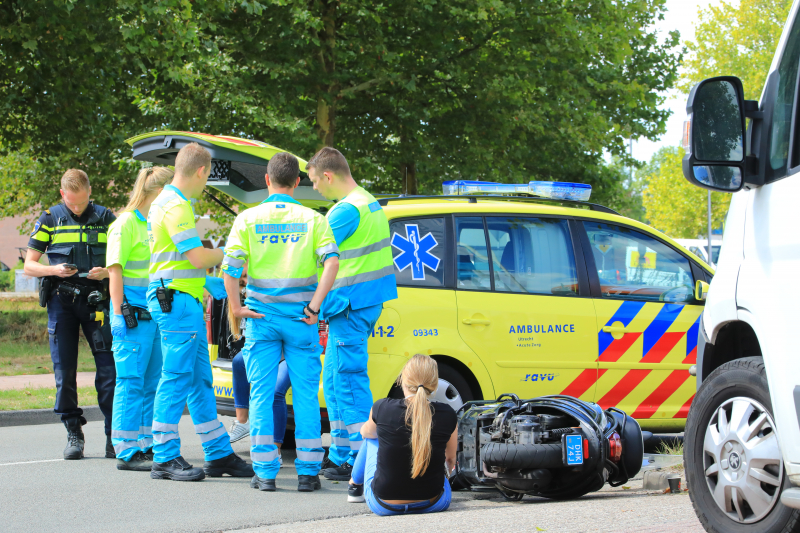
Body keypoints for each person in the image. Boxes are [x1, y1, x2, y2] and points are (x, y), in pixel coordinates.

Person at [222, 152, 339, 492]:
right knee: (305, 394)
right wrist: (315, 306)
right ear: (297, 182)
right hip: (301, 319)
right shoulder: (314, 219)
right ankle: (308, 473)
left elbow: (230, 268)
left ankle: (265, 472)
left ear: (267, 180)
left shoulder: (247, 219)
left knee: (260, 394)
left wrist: (236, 307)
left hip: (262, 318)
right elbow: (332, 262)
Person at [147, 142, 253, 481]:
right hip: (176, 302)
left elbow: (178, 260)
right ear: (201, 171)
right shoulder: (176, 206)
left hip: (180, 299)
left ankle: (218, 453)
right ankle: (164, 456)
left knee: (199, 381)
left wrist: (205, 281)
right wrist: (232, 251)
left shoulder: (165, 201)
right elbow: (196, 257)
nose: (205, 184)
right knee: (177, 378)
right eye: (207, 178)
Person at [306, 147, 398, 480]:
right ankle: (341, 453)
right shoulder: (368, 203)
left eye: (315, 181)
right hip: (359, 304)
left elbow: (311, 255)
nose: (315, 187)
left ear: (328, 176)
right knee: (334, 381)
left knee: (348, 381)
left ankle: (362, 460)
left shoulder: (344, 212)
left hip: (350, 305)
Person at [24, 169, 117, 460]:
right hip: (61, 302)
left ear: (90, 191)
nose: (76, 208)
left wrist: (107, 272)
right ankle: (73, 431)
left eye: (81, 201)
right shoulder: (49, 218)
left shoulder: (106, 218)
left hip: (97, 302)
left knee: (109, 372)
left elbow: (124, 260)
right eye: (71, 202)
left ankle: (113, 435)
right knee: (64, 372)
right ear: (62, 194)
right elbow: (29, 265)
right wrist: (53, 269)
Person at [106, 166, 173, 471]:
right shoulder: (125, 224)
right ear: (159, 192)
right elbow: (115, 271)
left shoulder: (155, 224)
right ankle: (125, 449)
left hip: (154, 316)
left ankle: (146, 444)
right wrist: (117, 312)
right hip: (131, 316)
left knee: (151, 383)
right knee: (131, 382)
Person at [347, 354, 457, 516]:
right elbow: (450, 460)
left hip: (384, 505)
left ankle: (354, 486)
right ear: (434, 385)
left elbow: (366, 432)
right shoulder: (448, 413)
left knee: (372, 437)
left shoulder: (382, 407)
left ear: (402, 380)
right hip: (433, 503)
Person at [229, 355, 292, 466]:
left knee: (275, 391)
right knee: (239, 361)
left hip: (291, 353)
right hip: (270, 349)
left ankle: (276, 451)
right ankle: (242, 422)